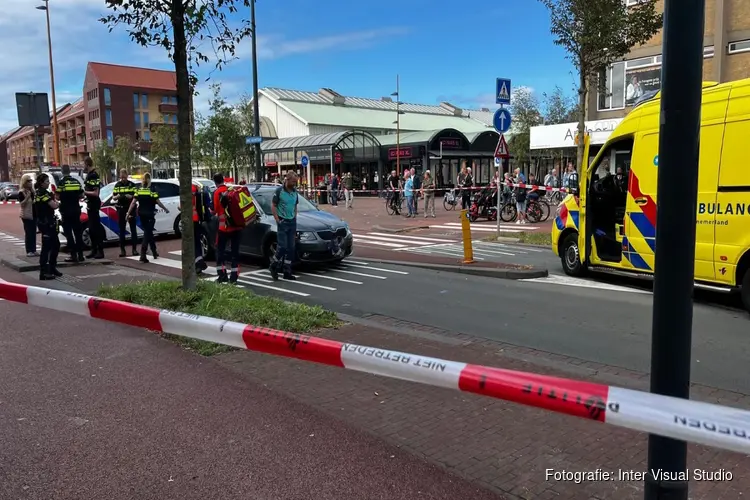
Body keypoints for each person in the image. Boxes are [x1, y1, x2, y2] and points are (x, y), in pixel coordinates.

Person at [127, 172, 168, 263]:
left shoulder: (139, 190)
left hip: (141, 214)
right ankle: (143, 254)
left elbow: (133, 203)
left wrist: (128, 213)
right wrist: (165, 209)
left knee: (149, 232)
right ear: (149, 180)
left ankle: (154, 251)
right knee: (147, 233)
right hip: (150, 214)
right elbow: (158, 201)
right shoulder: (152, 190)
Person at [212, 173, 242, 284]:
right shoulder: (231, 190)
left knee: (220, 252)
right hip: (236, 227)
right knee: (235, 252)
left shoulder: (216, 193)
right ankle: (234, 277)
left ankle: (222, 275)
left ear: (215, 182)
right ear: (223, 180)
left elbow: (215, 210)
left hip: (223, 228)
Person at [270, 172, 299, 281]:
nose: (295, 183)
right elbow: (273, 205)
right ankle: (274, 265)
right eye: (293, 181)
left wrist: (295, 217)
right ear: (287, 180)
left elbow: (295, 205)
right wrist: (277, 220)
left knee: (291, 248)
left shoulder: (295, 192)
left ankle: (287, 270)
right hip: (282, 221)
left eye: (296, 182)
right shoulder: (279, 191)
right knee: (282, 246)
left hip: (292, 222)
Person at [34, 173, 61, 280]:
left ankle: (52, 268)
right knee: (46, 248)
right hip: (46, 224)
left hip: (47, 222)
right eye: (46, 181)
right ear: (41, 183)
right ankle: (43, 272)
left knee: (55, 245)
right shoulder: (42, 193)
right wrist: (58, 202)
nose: (48, 183)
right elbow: (53, 205)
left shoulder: (41, 192)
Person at [57, 165, 85, 263]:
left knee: (68, 233)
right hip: (76, 210)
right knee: (78, 233)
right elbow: (81, 194)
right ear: (69, 171)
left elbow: (57, 197)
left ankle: (73, 255)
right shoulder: (76, 181)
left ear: (62, 172)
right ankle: (81, 255)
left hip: (66, 211)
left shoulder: (61, 182)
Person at [112, 168, 138, 257]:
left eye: (124, 177)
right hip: (121, 209)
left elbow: (136, 196)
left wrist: (130, 196)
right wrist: (117, 197)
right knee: (122, 230)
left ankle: (134, 249)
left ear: (127, 176)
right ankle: (122, 251)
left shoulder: (132, 185)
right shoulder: (117, 185)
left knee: (133, 230)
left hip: (131, 209)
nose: (123, 179)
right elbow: (113, 197)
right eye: (121, 177)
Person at [83, 157, 104, 259]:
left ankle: (100, 251)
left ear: (87, 164)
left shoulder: (94, 175)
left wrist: (84, 192)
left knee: (95, 228)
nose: (83, 166)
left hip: (94, 204)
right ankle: (94, 250)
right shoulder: (89, 175)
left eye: (84, 164)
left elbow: (96, 193)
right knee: (91, 229)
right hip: (90, 204)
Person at [191, 183, 208, 273]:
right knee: (197, 242)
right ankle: (199, 261)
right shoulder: (195, 187)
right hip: (197, 218)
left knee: (193, 243)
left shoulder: (187, 189)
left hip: (191, 220)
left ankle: (199, 263)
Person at [18, 174, 36, 257]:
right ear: (24, 182)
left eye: (31, 180)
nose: (30, 182)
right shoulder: (22, 192)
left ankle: (34, 250)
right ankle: (29, 250)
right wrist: (27, 197)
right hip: (26, 215)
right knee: (28, 233)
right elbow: (22, 204)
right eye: (28, 181)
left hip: (34, 214)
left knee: (33, 232)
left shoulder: (32, 191)